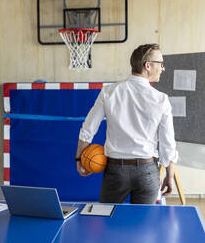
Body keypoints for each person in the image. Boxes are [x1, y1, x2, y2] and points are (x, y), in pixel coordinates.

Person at [74, 43, 178, 204]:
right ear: (148, 66)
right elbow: (167, 143)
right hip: (147, 171)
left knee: (109, 223)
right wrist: (170, 176)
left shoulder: (108, 92)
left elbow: (88, 129)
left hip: (115, 170)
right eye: (161, 64)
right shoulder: (161, 99)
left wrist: (79, 158)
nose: (163, 68)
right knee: (144, 226)